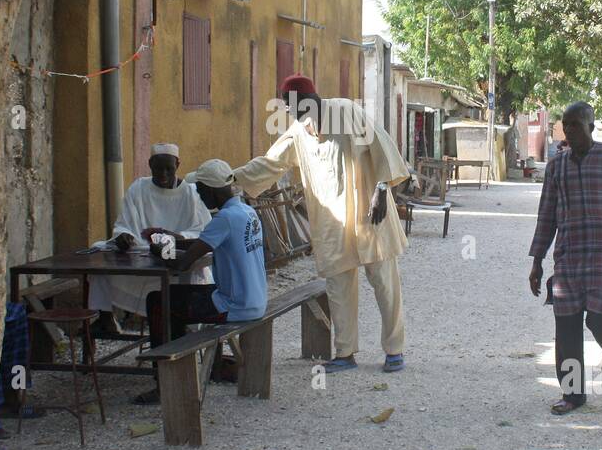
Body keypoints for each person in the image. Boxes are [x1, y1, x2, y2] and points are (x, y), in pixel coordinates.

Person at [235, 74, 410, 374]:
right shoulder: (298, 131)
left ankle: (394, 350)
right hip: (332, 223)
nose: (300, 115)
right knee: (338, 287)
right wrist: (230, 178)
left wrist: (383, 190)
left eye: (303, 107)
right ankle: (345, 353)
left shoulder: (347, 112)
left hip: (370, 213)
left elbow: (383, 145)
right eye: (293, 110)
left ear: (315, 98)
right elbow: (270, 163)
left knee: (384, 283)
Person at [529, 102, 602, 415]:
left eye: (575, 125)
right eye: (565, 125)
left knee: (599, 316)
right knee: (566, 325)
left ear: (591, 127)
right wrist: (537, 260)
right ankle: (573, 395)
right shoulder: (557, 166)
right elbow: (546, 214)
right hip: (569, 254)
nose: (569, 131)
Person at [137, 160, 267, 402]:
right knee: (182, 297)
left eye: (200, 189)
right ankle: (198, 366)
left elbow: (182, 264)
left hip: (235, 306)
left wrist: (160, 252)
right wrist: (174, 240)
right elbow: (205, 244)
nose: (198, 194)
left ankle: (166, 382)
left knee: (158, 301)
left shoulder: (224, 219)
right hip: (255, 300)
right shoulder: (247, 212)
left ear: (212, 190)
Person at [86, 143, 213, 325]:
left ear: (177, 165)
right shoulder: (138, 188)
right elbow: (124, 224)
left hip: (175, 254)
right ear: (150, 165)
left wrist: (176, 237)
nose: (163, 174)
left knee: (190, 271)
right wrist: (124, 236)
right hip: (142, 251)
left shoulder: (189, 193)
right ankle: (106, 319)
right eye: (158, 168)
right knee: (97, 250)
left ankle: (180, 323)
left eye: (168, 168)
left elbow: (202, 231)